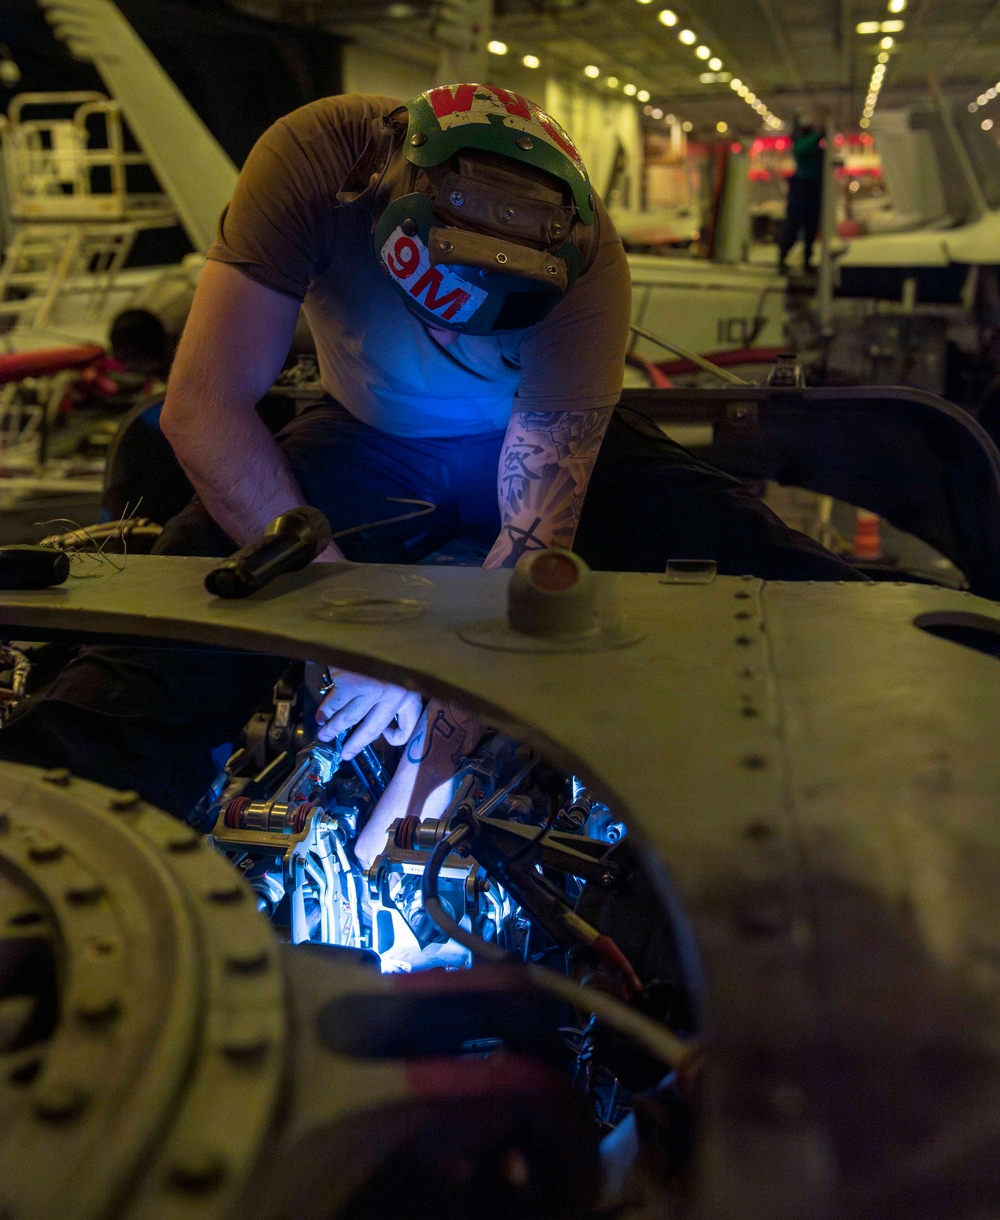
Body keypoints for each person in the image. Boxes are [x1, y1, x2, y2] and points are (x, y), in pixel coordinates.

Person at [0, 84, 856, 850]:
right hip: (366, 435)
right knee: (179, 632)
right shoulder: (317, 160)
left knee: (776, 579)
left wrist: (435, 768)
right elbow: (204, 407)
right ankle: (54, 840)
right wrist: (343, 626)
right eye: (444, 324)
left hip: (533, 436)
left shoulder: (589, 254)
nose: (460, 351)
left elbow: (529, 544)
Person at [777, 114, 825, 273]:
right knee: (795, 226)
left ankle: (805, 259)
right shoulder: (802, 144)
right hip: (803, 189)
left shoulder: (808, 142)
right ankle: (784, 256)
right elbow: (804, 147)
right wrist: (820, 133)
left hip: (811, 188)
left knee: (810, 228)